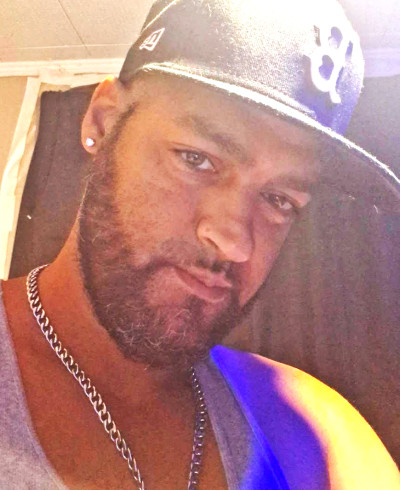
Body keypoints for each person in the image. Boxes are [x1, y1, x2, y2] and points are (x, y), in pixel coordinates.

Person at [1, 0, 400, 488]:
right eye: (196, 159)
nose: (234, 242)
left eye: (279, 199)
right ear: (103, 122)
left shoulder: (313, 434)